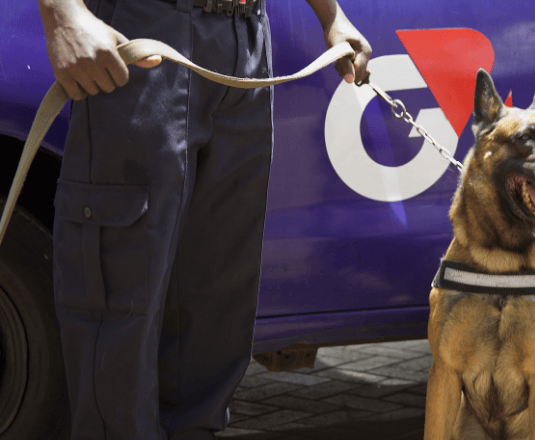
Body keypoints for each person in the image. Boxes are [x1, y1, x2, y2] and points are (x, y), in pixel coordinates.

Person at [36, 0, 371, 438]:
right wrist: (61, 12)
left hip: (247, 37)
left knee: (216, 299)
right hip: (148, 31)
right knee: (120, 292)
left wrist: (332, 15)